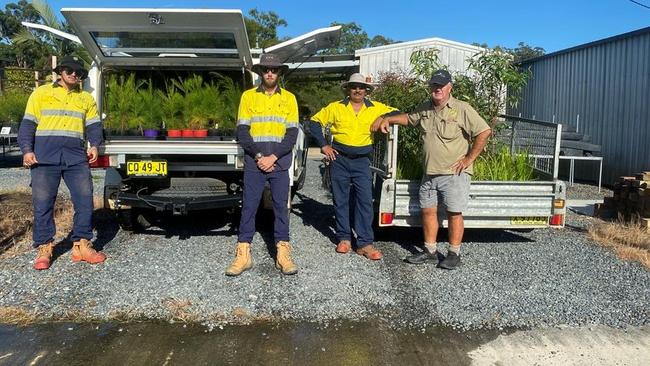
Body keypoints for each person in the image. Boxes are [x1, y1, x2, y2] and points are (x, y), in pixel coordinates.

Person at [372, 69, 491, 269]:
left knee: (454, 213)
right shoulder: (425, 108)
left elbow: (484, 131)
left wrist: (469, 159)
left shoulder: (462, 109)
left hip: (454, 174)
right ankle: (430, 252)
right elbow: (409, 119)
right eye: (434, 85)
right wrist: (387, 118)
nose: (437, 89)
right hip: (429, 173)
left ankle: (454, 254)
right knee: (428, 212)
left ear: (449, 87)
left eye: (441, 85)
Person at [17, 55, 106, 270]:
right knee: (43, 205)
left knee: (85, 201)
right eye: (70, 70)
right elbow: (28, 125)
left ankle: (81, 245)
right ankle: (45, 247)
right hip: (44, 158)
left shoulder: (86, 98)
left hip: (76, 159)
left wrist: (94, 144)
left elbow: (94, 125)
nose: (74, 74)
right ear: (60, 71)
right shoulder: (41, 93)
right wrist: (27, 150)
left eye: (79, 72)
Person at [310, 73, 400, 260]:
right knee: (340, 199)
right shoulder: (335, 107)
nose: (357, 90)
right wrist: (324, 145)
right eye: (354, 87)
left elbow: (397, 112)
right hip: (339, 158)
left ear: (366, 90)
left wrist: (383, 117)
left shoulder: (375, 108)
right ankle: (344, 238)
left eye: (361, 87)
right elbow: (314, 122)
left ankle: (364, 243)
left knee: (365, 201)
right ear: (348, 89)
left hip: (362, 161)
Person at [226, 53, 299, 276]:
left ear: (279, 73)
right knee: (248, 207)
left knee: (280, 207)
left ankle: (283, 254)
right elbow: (242, 132)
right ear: (260, 72)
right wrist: (259, 156)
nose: (269, 73)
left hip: (279, 163)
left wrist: (273, 157)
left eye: (274, 70)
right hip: (254, 162)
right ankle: (243, 254)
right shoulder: (248, 97)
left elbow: (292, 133)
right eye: (266, 69)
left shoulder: (290, 99)